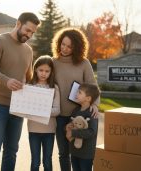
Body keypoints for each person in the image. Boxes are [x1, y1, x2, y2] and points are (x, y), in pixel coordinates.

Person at [0, 12, 40, 171]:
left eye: (32, 33)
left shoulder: (28, 50)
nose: (29, 35)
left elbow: (28, 77)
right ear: (18, 24)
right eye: (27, 30)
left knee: (11, 151)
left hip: (18, 107)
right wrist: (6, 81)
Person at [51, 27, 100, 171]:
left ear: (77, 47)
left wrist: (95, 105)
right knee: (63, 153)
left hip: (80, 115)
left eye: (69, 46)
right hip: (60, 116)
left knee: (80, 154)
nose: (65, 48)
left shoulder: (84, 63)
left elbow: (93, 86)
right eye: (63, 44)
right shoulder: (54, 62)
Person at [27, 55, 60, 171]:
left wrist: (41, 110)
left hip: (49, 130)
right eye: (41, 70)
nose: (43, 73)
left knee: (47, 161)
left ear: (51, 72)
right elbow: (25, 107)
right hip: (33, 130)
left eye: (47, 71)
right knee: (35, 162)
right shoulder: (29, 86)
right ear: (35, 69)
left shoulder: (54, 88)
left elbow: (57, 110)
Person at [65, 84, 100, 171]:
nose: (76, 94)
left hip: (86, 154)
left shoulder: (92, 113)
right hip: (74, 152)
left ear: (88, 98)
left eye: (79, 92)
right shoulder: (75, 111)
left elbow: (91, 132)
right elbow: (71, 125)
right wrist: (67, 127)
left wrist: (73, 133)